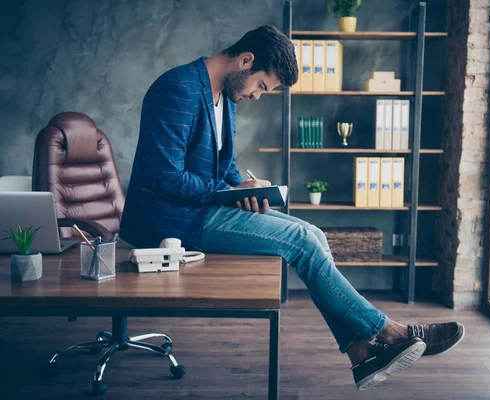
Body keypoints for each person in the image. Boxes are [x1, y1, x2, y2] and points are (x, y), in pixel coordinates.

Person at [120, 25, 464, 390]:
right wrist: (229, 190)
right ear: (245, 60)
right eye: (262, 86)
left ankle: (360, 352)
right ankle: (388, 332)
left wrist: (245, 188)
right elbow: (163, 178)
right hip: (171, 220)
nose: (257, 95)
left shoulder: (226, 95)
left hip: (202, 209)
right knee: (301, 239)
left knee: (312, 233)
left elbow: (224, 168)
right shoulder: (178, 88)